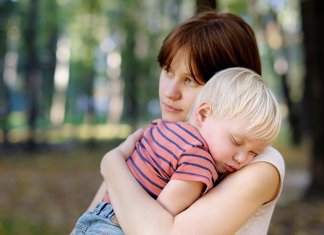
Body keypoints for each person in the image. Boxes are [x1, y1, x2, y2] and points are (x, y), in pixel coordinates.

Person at [83, 10, 285, 235]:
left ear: (228, 87)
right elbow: (88, 223)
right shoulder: (160, 138)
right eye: (168, 71)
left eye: (190, 80)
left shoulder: (262, 165)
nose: (170, 93)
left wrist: (112, 164)